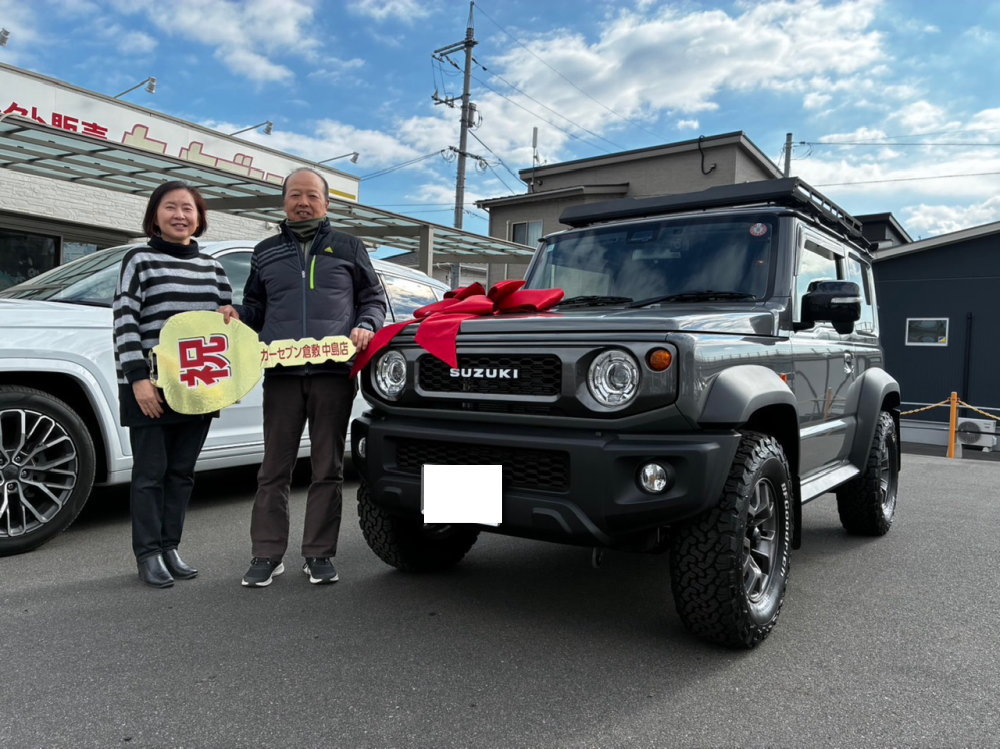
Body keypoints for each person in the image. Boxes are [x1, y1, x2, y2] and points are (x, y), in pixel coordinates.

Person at [220, 167, 386, 588]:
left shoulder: (348, 246)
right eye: (295, 195)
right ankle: (266, 554)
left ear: (326, 203)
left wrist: (365, 323)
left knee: (327, 467)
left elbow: (373, 298)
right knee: (273, 468)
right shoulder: (265, 252)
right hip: (281, 373)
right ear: (284, 202)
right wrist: (239, 316)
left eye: (312, 195)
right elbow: (256, 307)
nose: (303, 202)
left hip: (333, 372)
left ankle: (319, 554)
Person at [113, 181, 232, 588]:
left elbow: (222, 327)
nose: (180, 215)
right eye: (170, 207)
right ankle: (148, 553)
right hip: (151, 385)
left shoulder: (213, 268)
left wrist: (231, 316)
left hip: (198, 385)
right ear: (155, 215)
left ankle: (170, 547)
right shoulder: (139, 259)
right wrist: (138, 380)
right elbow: (125, 321)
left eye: (188, 208)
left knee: (181, 473)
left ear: (199, 218)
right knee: (151, 473)